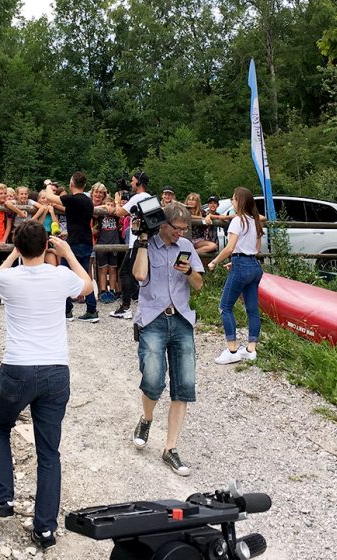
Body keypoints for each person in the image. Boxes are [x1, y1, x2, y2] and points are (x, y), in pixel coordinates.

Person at [0, 221, 93, 550]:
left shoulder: (10, 278)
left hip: (18, 367)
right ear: (46, 246)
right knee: (48, 451)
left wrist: (12, 255)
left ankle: (2, 499)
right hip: (56, 369)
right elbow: (88, 286)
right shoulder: (60, 276)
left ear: (18, 246)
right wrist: (69, 253)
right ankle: (45, 528)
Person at [130, 201, 204, 477]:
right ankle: (147, 419)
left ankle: (170, 448)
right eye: (176, 228)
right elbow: (139, 275)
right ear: (163, 224)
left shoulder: (186, 248)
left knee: (184, 385)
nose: (180, 234)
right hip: (153, 318)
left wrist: (189, 272)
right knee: (152, 379)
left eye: (185, 229)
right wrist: (142, 242)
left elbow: (198, 284)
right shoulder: (147, 246)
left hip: (182, 319)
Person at [207, 187, 264, 364]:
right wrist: (240, 258)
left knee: (225, 306)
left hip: (241, 266)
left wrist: (214, 261)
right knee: (252, 309)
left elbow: (230, 248)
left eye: (233, 199)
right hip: (254, 266)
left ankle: (232, 350)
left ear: (239, 201)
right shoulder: (255, 221)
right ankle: (250, 350)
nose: (232, 201)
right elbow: (256, 249)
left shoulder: (237, 221)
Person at [39, 171, 98, 322]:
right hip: (87, 241)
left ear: (71, 184)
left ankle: (67, 311)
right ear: (84, 185)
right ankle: (92, 310)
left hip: (74, 242)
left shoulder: (72, 199)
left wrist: (48, 185)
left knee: (64, 274)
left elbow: (50, 197)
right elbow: (72, 212)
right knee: (85, 275)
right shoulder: (87, 201)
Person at [106, 172, 153, 319]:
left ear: (138, 182)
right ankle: (148, 305)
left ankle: (126, 307)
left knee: (125, 273)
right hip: (150, 241)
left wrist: (117, 200)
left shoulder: (138, 197)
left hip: (137, 242)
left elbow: (119, 212)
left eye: (133, 181)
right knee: (144, 274)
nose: (131, 184)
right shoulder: (150, 198)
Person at [96, 195, 122, 302]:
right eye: (108, 204)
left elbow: (119, 210)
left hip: (114, 243)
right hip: (102, 243)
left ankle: (112, 290)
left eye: (111, 205)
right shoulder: (100, 214)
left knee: (112, 269)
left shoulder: (116, 215)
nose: (109, 207)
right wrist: (104, 207)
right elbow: (93, 209)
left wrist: (115, 204)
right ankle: (103, 291)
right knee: (103, 268)